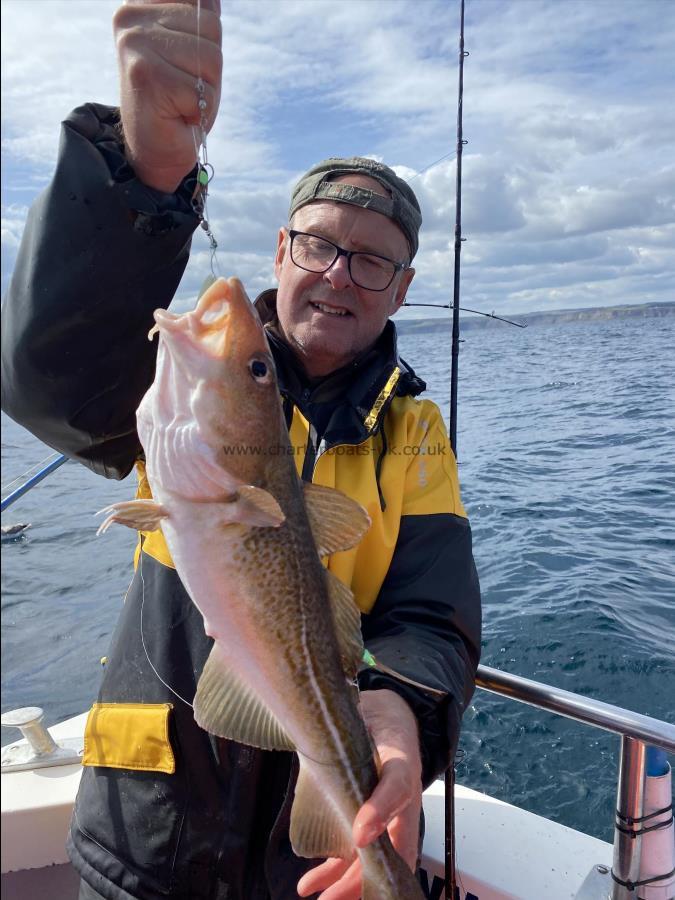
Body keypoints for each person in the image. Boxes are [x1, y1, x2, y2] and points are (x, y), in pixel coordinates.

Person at [0, 1, 481, 898]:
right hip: (147, 832)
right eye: (319, 244)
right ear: (281, 246)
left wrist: (405, 710)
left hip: (304, 858)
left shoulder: (413, 429)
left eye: (371, 261)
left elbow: (429, 612)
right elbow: (45, 381)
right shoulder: (174, 402)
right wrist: (143, 174)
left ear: (402, 288)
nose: (338, 273)